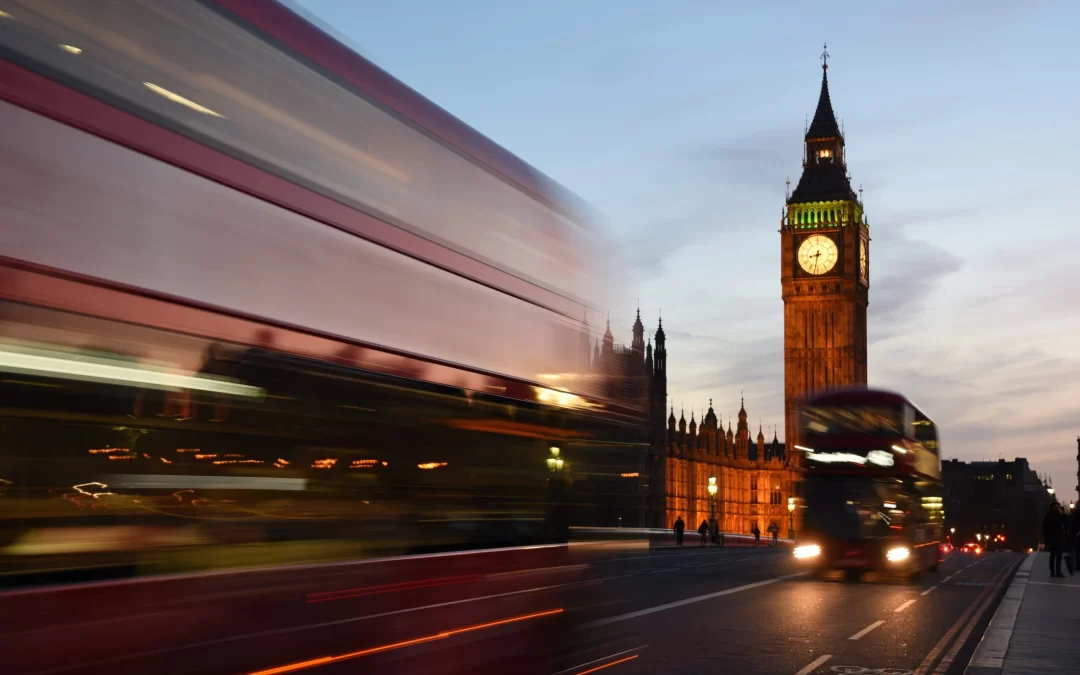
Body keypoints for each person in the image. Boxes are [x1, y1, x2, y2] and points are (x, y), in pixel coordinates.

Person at [1042, 502, 1066, 578]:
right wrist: (1047, 538)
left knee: (1057, 556)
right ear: (1053, 507)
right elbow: (1045, 528)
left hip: (1059, 538)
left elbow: (1066, 522)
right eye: (1056, 506)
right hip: (1053, 539)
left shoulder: (1059, 515)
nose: (1057, 508)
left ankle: (1057, 571)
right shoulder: (1049, 516)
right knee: (1053, 555)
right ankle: (1053, 571)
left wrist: (1063, 513)